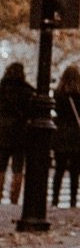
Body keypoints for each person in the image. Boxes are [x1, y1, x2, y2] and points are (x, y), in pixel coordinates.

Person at [51, 66, 80, 209]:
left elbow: (55, 111)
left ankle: (55, 199)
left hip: (61, 134)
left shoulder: (58, 94)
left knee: (59, 170)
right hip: (77, 135)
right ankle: (73, 200)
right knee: (75, 171)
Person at [0, 61, 31, 204]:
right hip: (20, 133)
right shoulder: (27, 91)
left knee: (1, 165)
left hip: (2, 131)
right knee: (18, 167)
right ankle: (15, 197)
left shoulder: (2, 89)